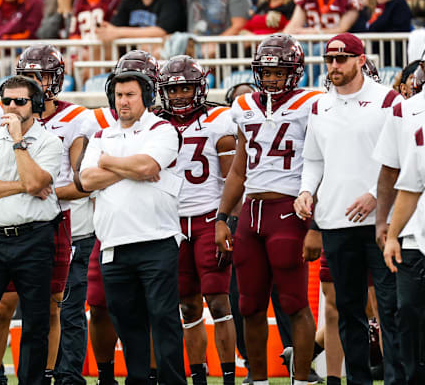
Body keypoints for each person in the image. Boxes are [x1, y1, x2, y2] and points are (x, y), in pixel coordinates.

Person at [294, 32, 405, 385]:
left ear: (360, 60)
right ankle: (357, 380)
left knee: (390, 308)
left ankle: (396, 379)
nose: (334, 66)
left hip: (380, 222)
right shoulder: (319, 106)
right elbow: (313, 159)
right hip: (335, 221)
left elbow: (401, 159)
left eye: (342, 59)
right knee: (349, 311)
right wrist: (306, 191)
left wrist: (376, 194)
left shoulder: (386, 100)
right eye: (329, 59)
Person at [214, 33, 321, 385]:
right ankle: (258, 379)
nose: (273, 78)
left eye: (280, 71)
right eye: (268, 71)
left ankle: (301, 378)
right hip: (251, 213)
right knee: (249, 305)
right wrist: (222, 217)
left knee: (293, 302)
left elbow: (322, 163)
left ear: (294, 71)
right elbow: (239, 170)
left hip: (289, 211)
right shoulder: (244, 105)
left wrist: (316, 221)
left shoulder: (313, 103)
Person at [0, 44, 91, 385]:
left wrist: (42, 192)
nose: (35, 82)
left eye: (42, 76)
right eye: (29, 75)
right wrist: (25, 189)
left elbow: (82, 180)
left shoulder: (78, 117)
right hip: (8, 216)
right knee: (2, 304)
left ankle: (48, 372)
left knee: (51, 303)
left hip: (53, 218)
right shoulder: (3, 109)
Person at [79, 54, 188, 385]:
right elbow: (85, 181)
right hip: (113, 244)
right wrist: (129, 167)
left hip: (157, 239)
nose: (122, 101)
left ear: (146, 97)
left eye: (130, 95)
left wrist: (108, 162)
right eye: (119, 94)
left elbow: (147, 168)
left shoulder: (162, 128)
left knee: (164, 318)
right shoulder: (101, 135)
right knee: (127, 321)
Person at [0, 75, 63, 385]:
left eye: (21, 101)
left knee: (35, 321)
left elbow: (37, 183)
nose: (13, 107)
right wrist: (22, 187)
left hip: (34, 238)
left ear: (37, 106)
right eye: (7, 101)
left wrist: (19, 141)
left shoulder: (49, 142)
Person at [157, 55, 238, 385]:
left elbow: (234, 176)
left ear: (199, 88)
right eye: (173, 90)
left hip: (207, 218)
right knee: (187, 307)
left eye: (186, 88)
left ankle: (230, 377)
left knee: (219, 303)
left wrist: (226, 219)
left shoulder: (220, 119)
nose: (178, 96)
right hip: (172, 223)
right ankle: (199, 377)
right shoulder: (155, 123)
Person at [381, 94, 425, 385]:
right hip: (416, 235)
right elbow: (411, 185)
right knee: (409, 313)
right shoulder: (411, 118)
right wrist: (393, 234)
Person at [96, 0, 185, 42]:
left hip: (163, 53)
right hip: (131, 53)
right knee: (100, 48)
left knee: (147, 46)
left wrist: (118, 32)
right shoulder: (129, 0)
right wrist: (106, 30)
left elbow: (162, 30)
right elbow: (115, 27)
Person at [284, 0, 361, 34]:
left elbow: (342, 29)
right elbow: (294, 26)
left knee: (320, 49)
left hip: (337, 44)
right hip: (310, 42)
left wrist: (317, 32)